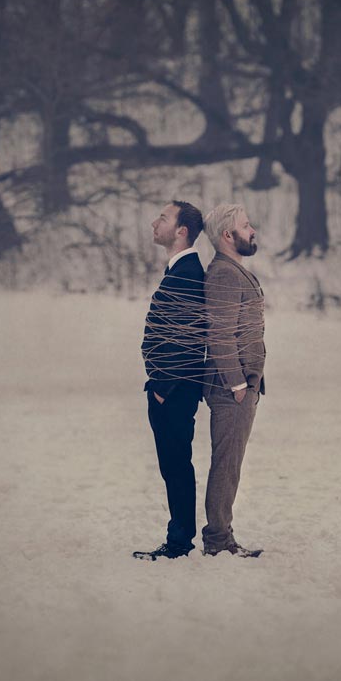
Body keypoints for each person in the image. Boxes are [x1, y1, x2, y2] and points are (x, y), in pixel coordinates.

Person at [133, 201, 206, 560]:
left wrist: (162, 388)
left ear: (181, 231)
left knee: (176, 465)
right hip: (170, 388)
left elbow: (189, 339)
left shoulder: (189, 273)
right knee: (173, 465)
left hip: (174, 391)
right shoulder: (181, 270)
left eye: (163, 218)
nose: (154, 222)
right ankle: (179, 537)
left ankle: (179, 542)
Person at [201, 203, 266, 558]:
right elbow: (220, 334)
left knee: (231, 463)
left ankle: (221, 536)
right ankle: (218, 541)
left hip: (240, 385)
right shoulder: (225, 274)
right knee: (226, 463)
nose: (252, 229)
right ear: (228, 236)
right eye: (246, 225)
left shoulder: (233, 269)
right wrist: (238, 384)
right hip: (231, 388)